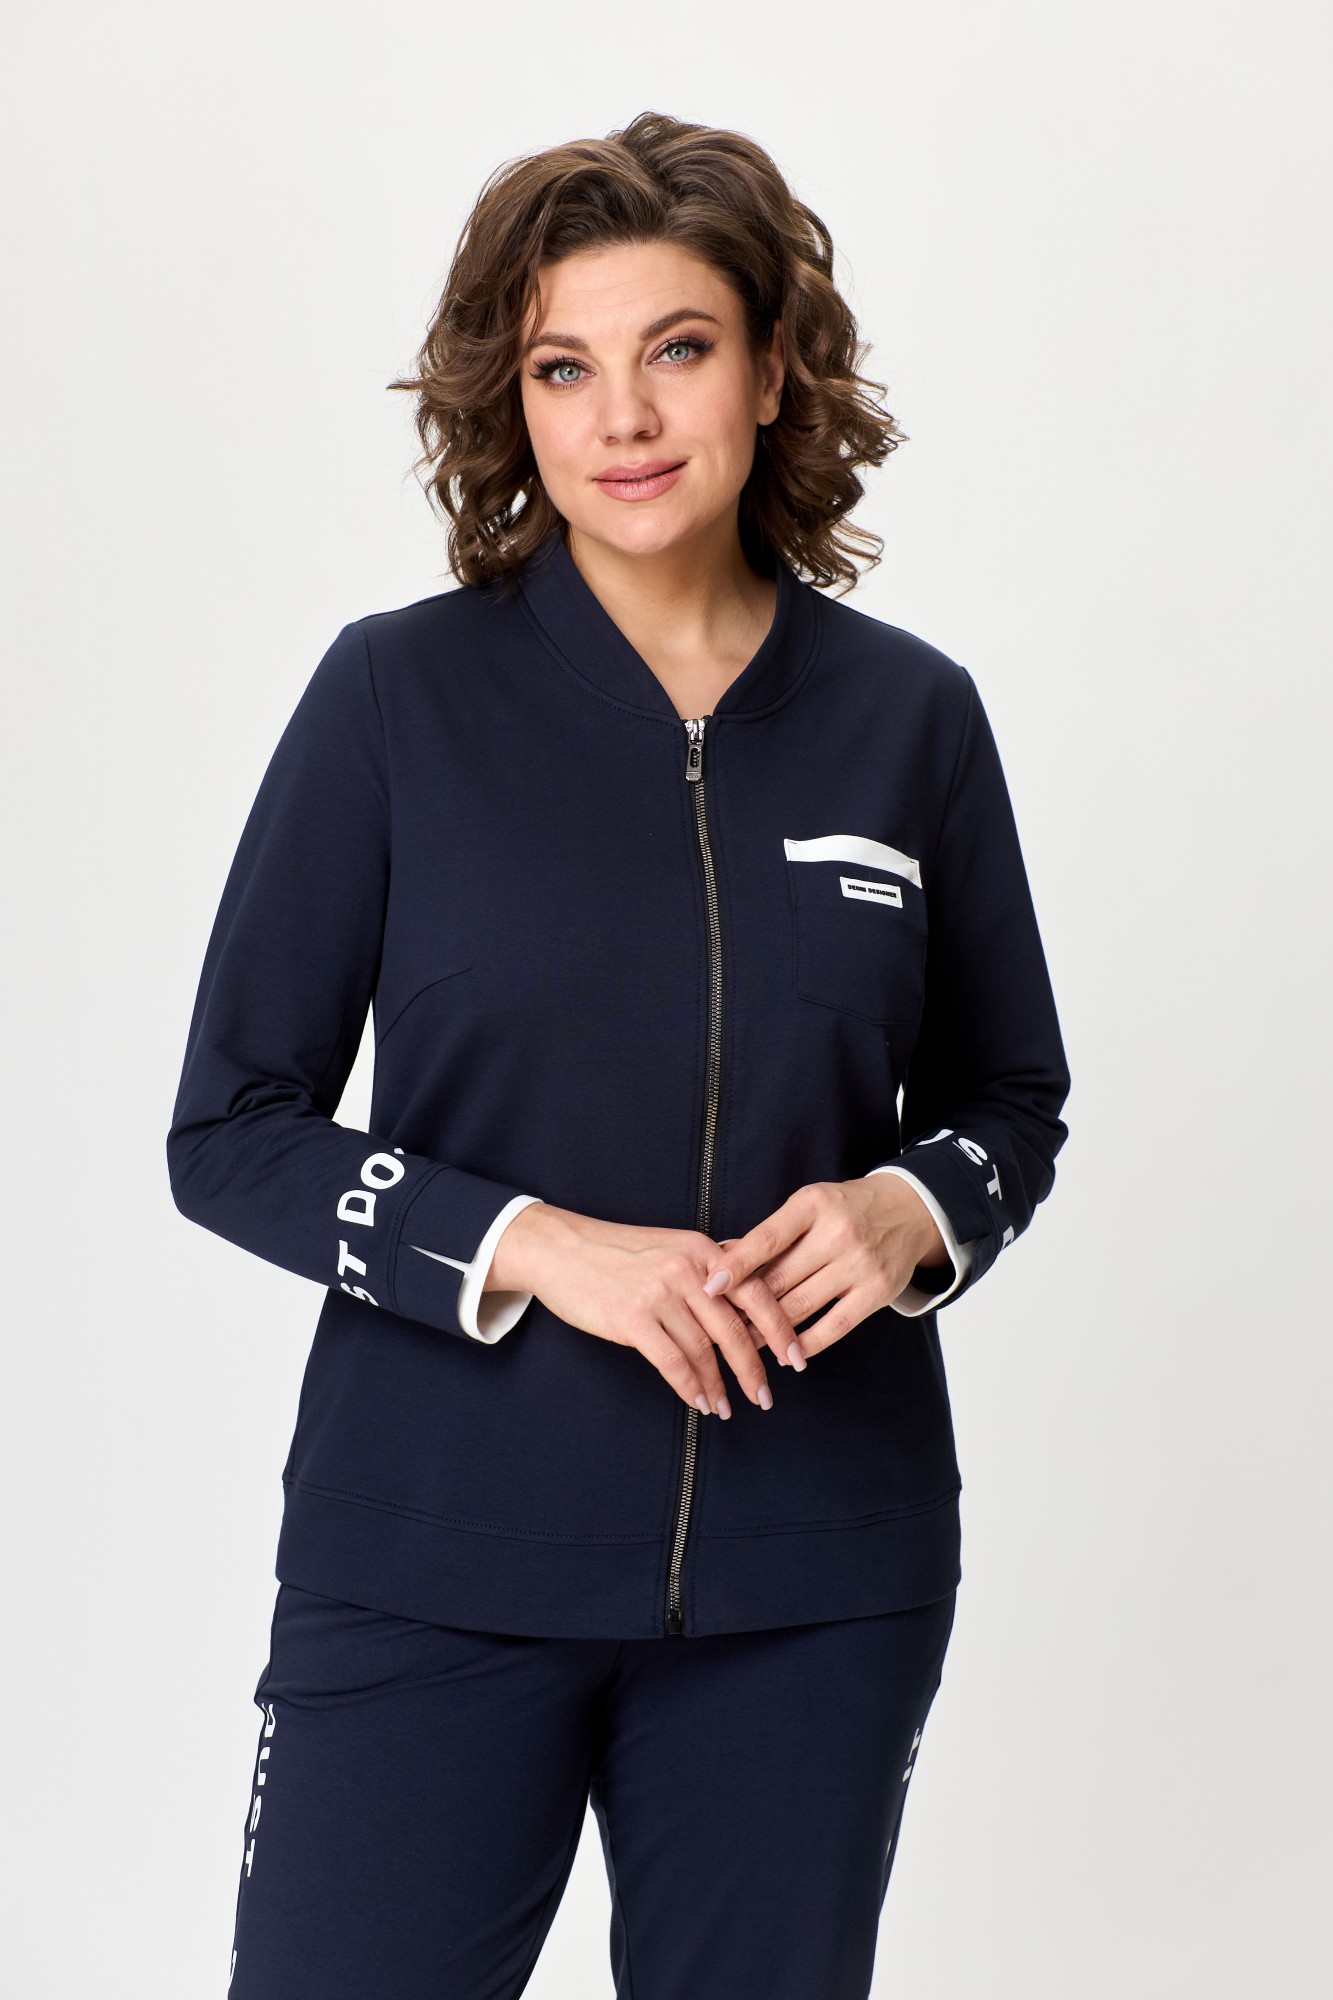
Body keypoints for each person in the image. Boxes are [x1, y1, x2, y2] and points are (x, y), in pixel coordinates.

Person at [166, 109, 1071, 2000]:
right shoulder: (395, 697)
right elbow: (231, 1128)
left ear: (771, 370)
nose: (623, 418)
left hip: (815, 1582)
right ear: (512, 405)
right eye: (562, 368)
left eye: (677, 348)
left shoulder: (909, 719)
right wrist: (534, 1248)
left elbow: (1012, 1101)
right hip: (431, 1559)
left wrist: (912, 1211)